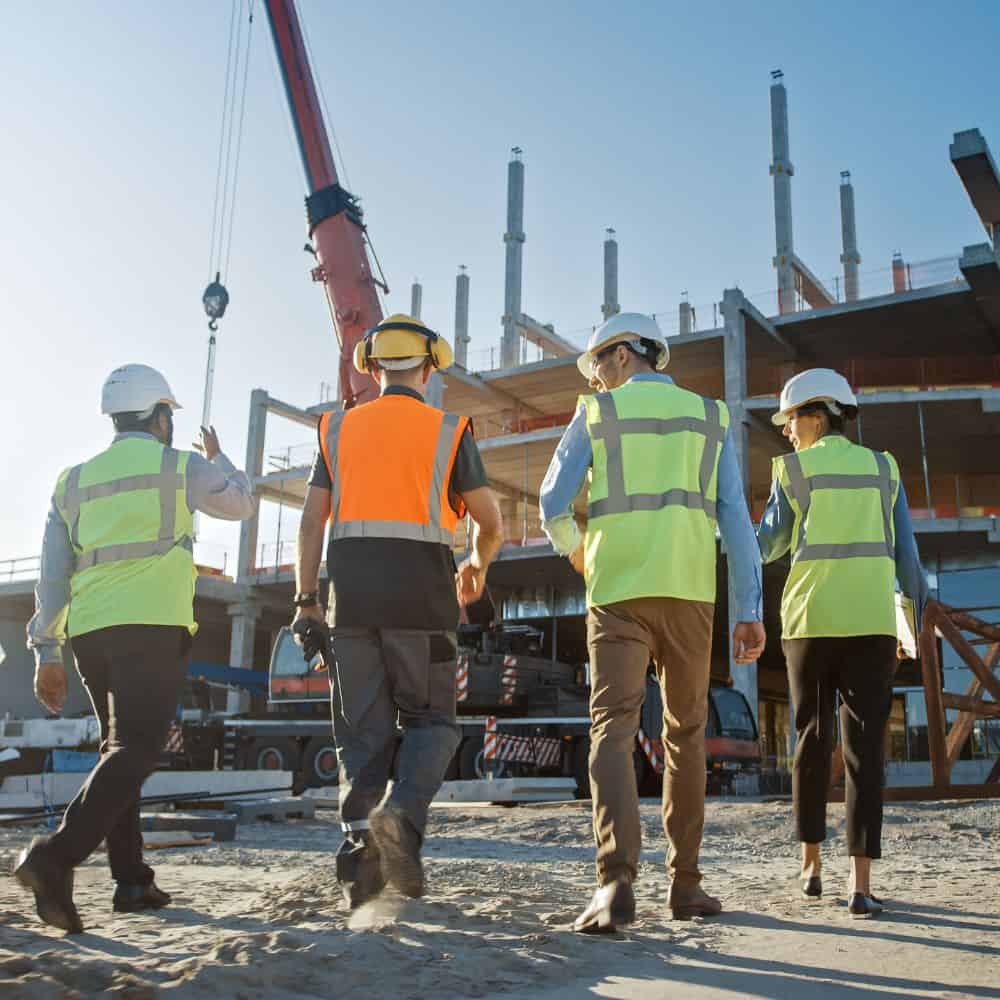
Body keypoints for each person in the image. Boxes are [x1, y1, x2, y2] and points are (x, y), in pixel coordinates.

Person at [539, 312, 765, 932]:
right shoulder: (711, 417)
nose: (598, 381)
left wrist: (578, 549)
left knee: (611, 730)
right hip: (691, 593)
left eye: (597, 368)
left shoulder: (597, 414)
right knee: (685, 736)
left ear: (618, 356)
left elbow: (550, 501)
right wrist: (749, 609)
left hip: (616, 593)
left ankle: (615, 883)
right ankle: (686, 887)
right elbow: (736, 523)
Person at [18, 363, 256, 933]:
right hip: (151, 627)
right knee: (138, 750)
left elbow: (52, 575)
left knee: (117, 751)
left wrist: (45, 650)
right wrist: (221, 460)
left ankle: (132, 880)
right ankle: (54, 858)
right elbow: (241, 505)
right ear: (162, 416)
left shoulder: (72, 480)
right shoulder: (181, 467)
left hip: (91, 634)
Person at [294, 314, 503, 908]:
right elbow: (491, 524)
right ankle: (402, 818)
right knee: (432, 724)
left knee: (363, 736)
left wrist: (307, 600)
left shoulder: (336, 429)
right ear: (430, 365)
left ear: (372, 365)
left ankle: (361, 877)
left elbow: (312, 521)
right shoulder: (449, 430)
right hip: (424, 602)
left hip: (351, 605)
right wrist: (476, 567)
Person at [757, 368, 928, 919]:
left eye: (790, 420)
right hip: (871, 622)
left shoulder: (792, 472)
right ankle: (860, 885)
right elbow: (908, 559)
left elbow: (767, 547)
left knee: (809, 738)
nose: (786, 431)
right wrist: (909, 625)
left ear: (817, 414)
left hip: (808, 623)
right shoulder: (884, 468)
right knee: (864, 751)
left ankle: (810, 865)